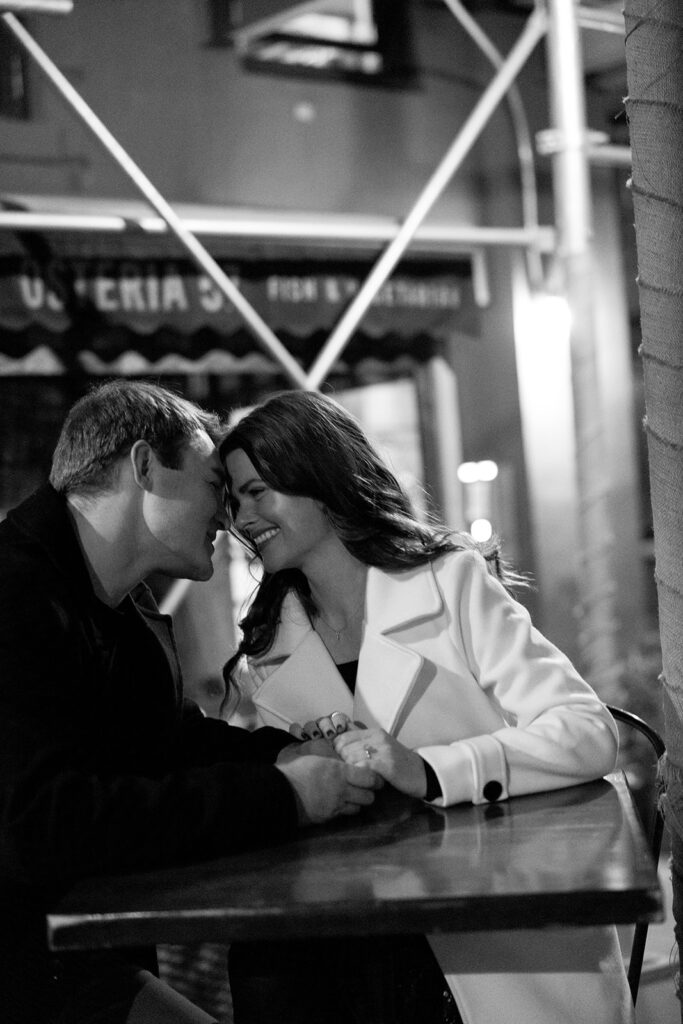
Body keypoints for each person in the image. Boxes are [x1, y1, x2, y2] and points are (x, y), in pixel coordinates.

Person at [220, 389, 634, 1024]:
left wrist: (436, 769)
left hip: (496, 937)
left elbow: (587, 731)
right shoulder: (270, 644)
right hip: (359, 934)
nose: (242, 517)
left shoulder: (450, 582)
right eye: (233, 499)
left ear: (321, 481)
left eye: (257, 491)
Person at [0, 380, 380, 1024]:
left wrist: (289, 751)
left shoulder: (115, 601)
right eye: (215, 487)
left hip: (82, 952)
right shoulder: (14, 594)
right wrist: (282, 795)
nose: (230, 519)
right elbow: (42, 826)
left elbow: (169, 743)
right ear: (145, 466)